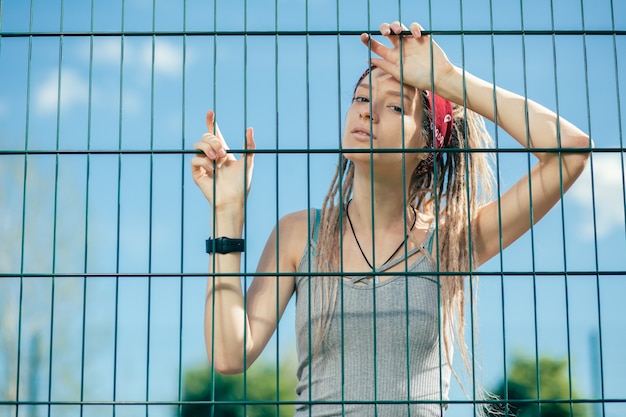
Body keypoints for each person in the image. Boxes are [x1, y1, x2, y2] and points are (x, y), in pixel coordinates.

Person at [191, 21, 591, 417]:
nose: (368, 113)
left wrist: (448, 80)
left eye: (396, 105)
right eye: (362, 98)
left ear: (428, 144)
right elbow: (229, 354)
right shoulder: (299, 235)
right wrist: (227, 215)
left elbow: (570, 150)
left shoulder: (451, 239)